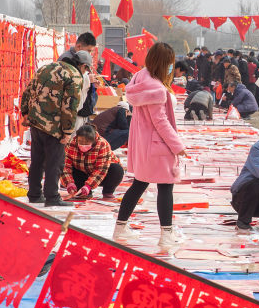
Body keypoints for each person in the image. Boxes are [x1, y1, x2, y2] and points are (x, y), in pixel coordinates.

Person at [113, 42, 187, 252]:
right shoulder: (156, 89)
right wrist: (177, 145)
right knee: (165, 186)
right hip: (158, 144)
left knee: (139, 184)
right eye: (170, 63)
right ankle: (166, 234)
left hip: (145, 143)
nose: (172, 68)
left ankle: (120, 227)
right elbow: (161, 122)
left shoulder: (141, 79)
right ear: (164, 63)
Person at [20, 50, 87, 206]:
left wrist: (25, 113)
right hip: (54, 127)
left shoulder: (45, 67)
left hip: (36, 123)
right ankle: (52, 197)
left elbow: (28, 91)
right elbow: (70, 106)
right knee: (55, 162)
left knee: (37, 160)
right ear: (82, 66)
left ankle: (35, 194)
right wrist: (68, 131)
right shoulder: (74, 76)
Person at [61, 124, 125, 200]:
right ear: (76, 138)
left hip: (102, 176)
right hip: (82, 173)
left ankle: (108, 192)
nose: (83, 145)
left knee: (117, 169)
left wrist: (89, 186)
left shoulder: (102, 144)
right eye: (80, 142)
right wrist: (69, 182)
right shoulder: (71, 143)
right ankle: (83, 192)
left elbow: (101, 169)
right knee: (70, 169)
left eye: (87, 142)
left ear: (94, 140)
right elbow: (65, 165)